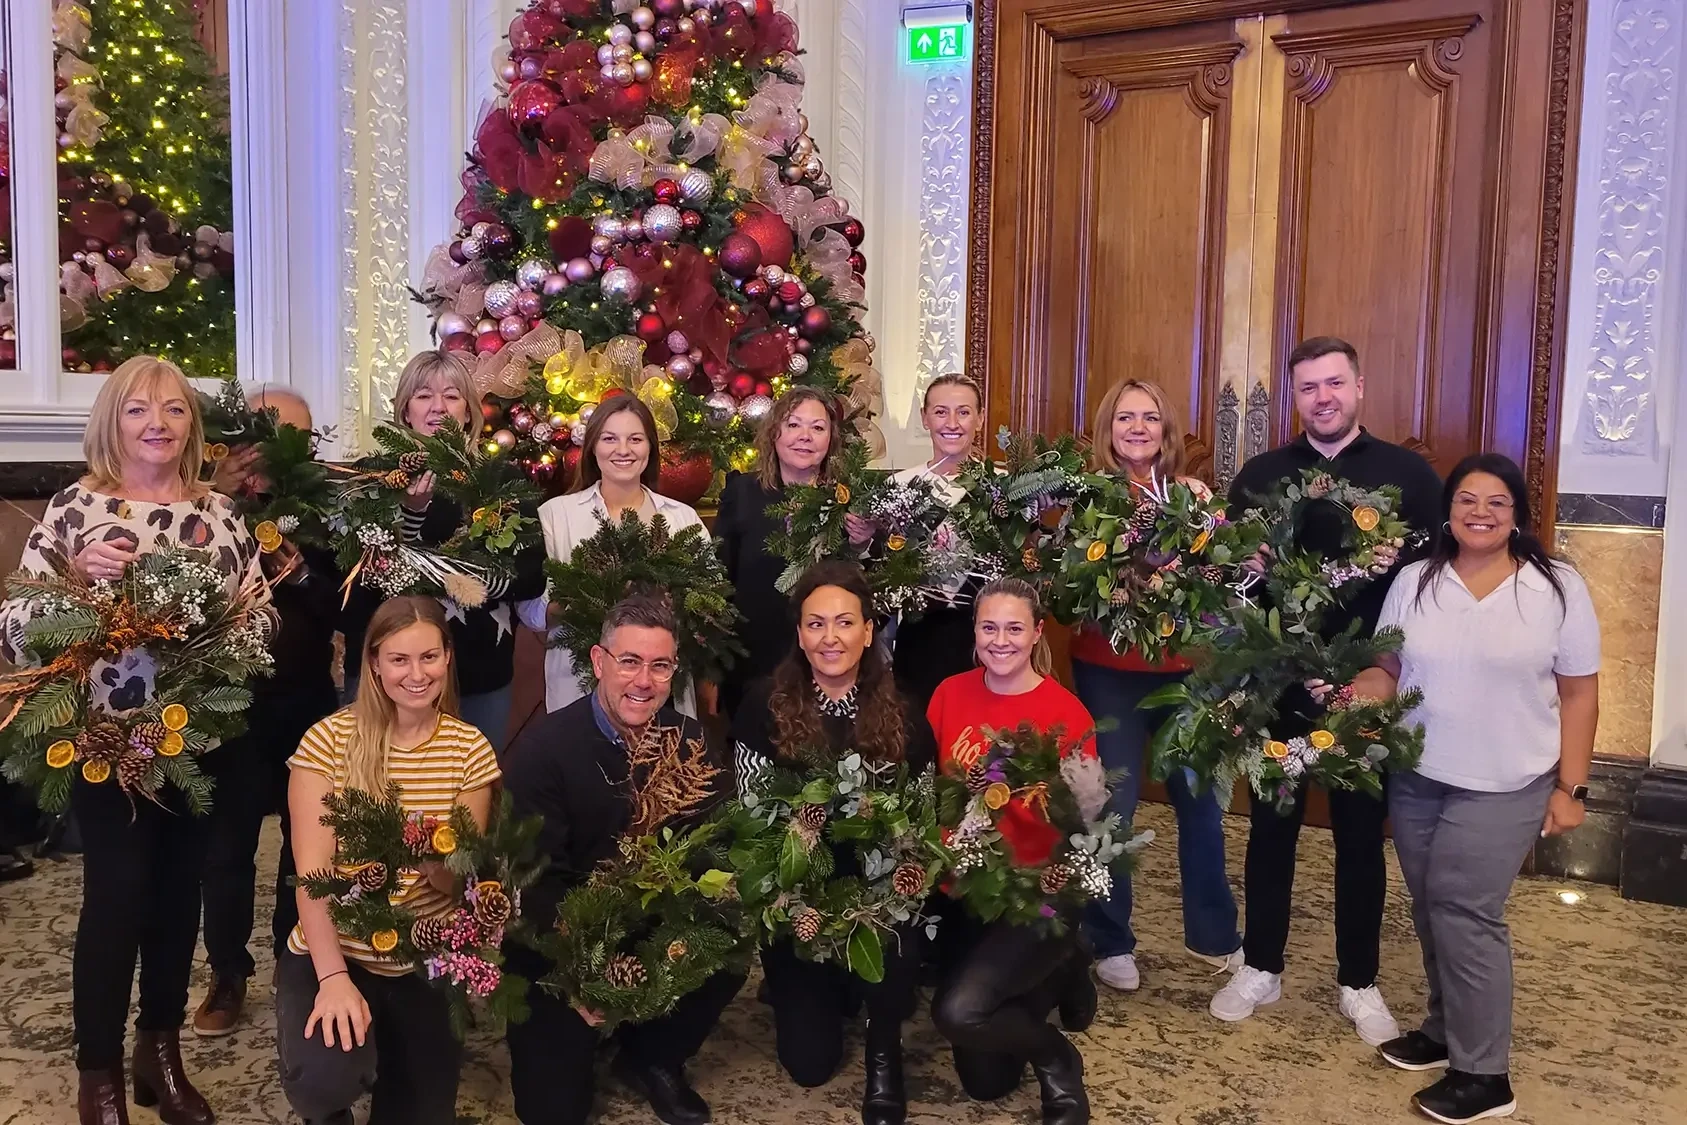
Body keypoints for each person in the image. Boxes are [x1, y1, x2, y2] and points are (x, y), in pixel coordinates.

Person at [0, 356, 261, 1125]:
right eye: (139, 409)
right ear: (112, 421)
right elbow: (16, 624)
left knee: (180, 896)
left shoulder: (220, 515)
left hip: (200, 740)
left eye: (174, 410)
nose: (158, 423)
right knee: (116, 899)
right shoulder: (77, 507)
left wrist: (224, 622)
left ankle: (160, 1049)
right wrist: (76, 579)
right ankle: (99, 1071)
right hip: (106, 742)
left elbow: (263, 615)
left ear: (192, 424)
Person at [1332, 454, 1599, 1124]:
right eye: (1466, 500)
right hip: (1420, 774)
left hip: (1506, 780)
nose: (1479, 512)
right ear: (1447, 511)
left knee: (1465, 911)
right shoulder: (1416, 580)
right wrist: (1362, 691)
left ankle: (1484, 1075)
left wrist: (1572, 787)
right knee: (1429, 905)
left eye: (1496, 502)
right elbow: (1388, 663)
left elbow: (1579, 692)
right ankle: (1444, 1026)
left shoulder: (1555, 586)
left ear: (1516, 515)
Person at [1210, 336, 1443, 1045]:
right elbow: (1229, 583)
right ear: (1294, 396)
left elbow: (1432, 585)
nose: (1322, 397)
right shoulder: (1260, 474)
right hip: (1277, 682)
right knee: (1270, 826)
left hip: (1368, 684)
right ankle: (1261, 964)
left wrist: (1386, 673)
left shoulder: (1407, 475)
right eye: (1308, 387)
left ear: (1359, 385)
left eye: (1333, 383)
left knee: (1356, 835)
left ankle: (1358, 980)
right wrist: (1240, 567)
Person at [502, 595, 744, 1125]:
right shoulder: (545, 750)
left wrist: (672, 947)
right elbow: (533, 883)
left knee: (731, 944)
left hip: (653, 927)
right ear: (598, 662)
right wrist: (585, 974)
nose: (644, 680)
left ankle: (651, 1055)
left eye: (660, 666)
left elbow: (713, 851)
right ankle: (585, 1036)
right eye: (629, 661)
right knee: (551, 1111)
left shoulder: (691, 742)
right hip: (559, 940)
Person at [277, 596, 501, 1125]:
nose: (416, 674)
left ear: (448, 657)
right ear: (373, 663)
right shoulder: (326, 742)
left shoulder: (470, 750)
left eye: (428, 657)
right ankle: (329, 1104)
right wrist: (332, 978)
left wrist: (434, 857)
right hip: (336, 945)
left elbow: (457, 885)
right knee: (322, 1081)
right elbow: (314, 878)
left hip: (422, 950)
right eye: (399, 659)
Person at [730, 560, 936, 1125]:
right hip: (799, 896)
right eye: (816, 624)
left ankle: (883, 1044)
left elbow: (919, 824)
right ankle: (822, 986)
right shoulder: (761, 706)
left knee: (894, 969)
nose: (830, 638)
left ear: (869, 630)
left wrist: (889, 893)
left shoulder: (907, 713)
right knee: (809, 1064)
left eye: (845, 623)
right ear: (798, 633)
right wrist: (800, 899)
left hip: (880, 895)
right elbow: (753, 820)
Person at [1069, 378, 1242, 993]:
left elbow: (1224, 580)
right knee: (1110, 805)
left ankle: (1216, 937)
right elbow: (1071, 586)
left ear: (1167, 431)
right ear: (1108, 430)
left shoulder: (1193, 498)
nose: (1137, 428)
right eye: (1124, 418)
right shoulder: (1085, 496)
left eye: (1149, 418)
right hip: (1107, 671)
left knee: (1200, 802)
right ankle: (1110, 939)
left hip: (1185, 675)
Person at [194, 386, 343, 1036]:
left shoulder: (328, 511)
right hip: (230, 704)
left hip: (306, 700)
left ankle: (294, 950)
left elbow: (346, 610)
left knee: (303, 841)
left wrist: (304, 575)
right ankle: (227, 971)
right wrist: (221, 497)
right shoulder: (206, 507)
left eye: (293, 436)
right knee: (225, 846)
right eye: (264, 434)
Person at [926, 578, 1099, 1125]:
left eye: (1014, 628)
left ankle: (1055, 1055)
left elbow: (1086, 824)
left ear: (1036, 634)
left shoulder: (1066, 712)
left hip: (1035, 892)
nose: (1000, 640)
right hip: (967, 887)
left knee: (958, 1012)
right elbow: (930, 786)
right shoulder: (949, 693)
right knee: (986, 1083)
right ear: (974, 632)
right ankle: (1064, 967)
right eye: (988, 627)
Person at [340, 349, 545, 753]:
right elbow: (360, 582)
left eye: (451, 396)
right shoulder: (370, 479)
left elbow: (530, 575)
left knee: (472, 801)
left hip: (479, 676)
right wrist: (413, 520)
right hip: (385, 680)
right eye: (422, 396)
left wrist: (445, 575)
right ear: (404, 411)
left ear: (468, 412)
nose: (438, 408)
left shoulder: (501, 479)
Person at [518, 395, 704, 715]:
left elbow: (711, 600)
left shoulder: (682, 518)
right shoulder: (554, 516)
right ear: (592, 447)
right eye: (609, 439)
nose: (623, 450)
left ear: (650, 448)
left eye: (635, 439)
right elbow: (531, 610)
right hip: (579, 687)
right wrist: (585, 602)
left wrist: (684, 606)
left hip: (662, 689)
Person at [714, 387, 847, 717]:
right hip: (751, 666)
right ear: (774, 433)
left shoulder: (848, 501)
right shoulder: (742, 493)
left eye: (817, 428)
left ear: (831, 439)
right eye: (793, 425)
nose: (805, 436)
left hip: (829, 666)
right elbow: (718, 581)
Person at [885, 373, 986, 714]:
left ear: (980, 419)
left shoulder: (1002, 487)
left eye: (964, 412)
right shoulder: (899, 487)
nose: (952, 423)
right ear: (925, 418)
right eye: (941, 412)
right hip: (919, 637)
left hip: (984, 639)